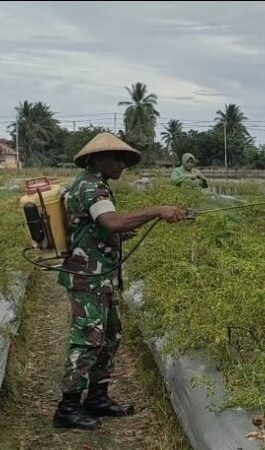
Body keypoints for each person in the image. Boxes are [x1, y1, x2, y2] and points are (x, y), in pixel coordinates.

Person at [55, 133, 187, 430]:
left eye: (125, 160)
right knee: (88, 339)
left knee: (110, 336)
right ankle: (68, 407)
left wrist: (115, 233)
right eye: (117, 159)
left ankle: (97, 398)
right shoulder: (91, 187)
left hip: (101, 277)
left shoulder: (95, 185)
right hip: (88, 276)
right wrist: (157, 209)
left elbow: (102, 226)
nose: (122, 165)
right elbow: (112, 222)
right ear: (97, 159)